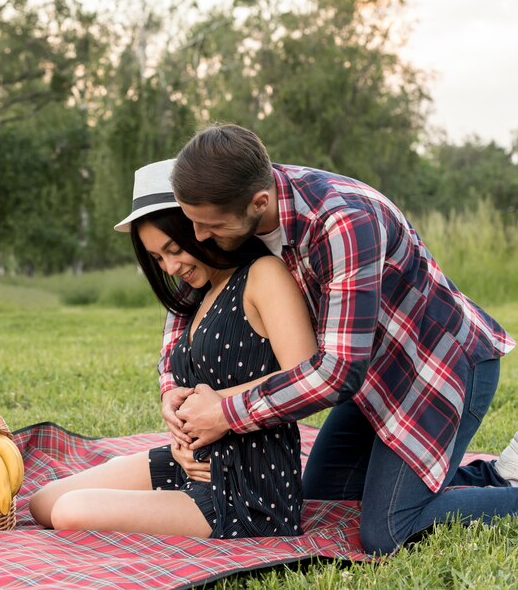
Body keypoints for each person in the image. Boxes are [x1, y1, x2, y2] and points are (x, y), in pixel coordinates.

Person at [161, 124, 517, 555]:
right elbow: (186, 301)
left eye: (208, 226)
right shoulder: (230, 206)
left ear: (259, 202)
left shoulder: (342, 220)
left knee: (387, 530)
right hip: (372, 380)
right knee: (327, 501)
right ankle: (499, 476)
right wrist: (171, 388)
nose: (198, 237)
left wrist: (225, 413)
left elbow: (337, 374)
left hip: (436, 369)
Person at [29, 159, 318, 538]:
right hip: (191, 463)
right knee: (43, 503)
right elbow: (185, 386)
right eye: (157, 258)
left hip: (246, 486)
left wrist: (216, 408)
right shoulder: (197, 295)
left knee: (70, 511)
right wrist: (181, 428)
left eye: (173, 248)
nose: (170, 266)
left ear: (197, 227)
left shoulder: (264, 275)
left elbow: (305, 373)